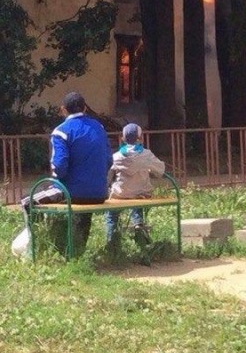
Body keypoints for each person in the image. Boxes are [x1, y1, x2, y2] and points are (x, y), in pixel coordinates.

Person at [21, 91, 112, 255]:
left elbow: (60, 166)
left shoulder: (61, 132)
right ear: (85, 108)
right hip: (99, 192)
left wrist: (55, 179)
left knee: (28, 201)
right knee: (85, 209)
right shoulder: (99, 127)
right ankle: (78, 250)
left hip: (72, 192)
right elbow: (108, 160)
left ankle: (35, 249)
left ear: (63, 109)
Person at [105, 123, 165, 250]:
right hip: (141, 194)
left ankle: (112, 244)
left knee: (111, 215)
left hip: (120, 194)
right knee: (137, 202)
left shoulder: (116, 156)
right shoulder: (146, 154)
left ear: (123, 138)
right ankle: (139, 229)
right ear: (140, 138)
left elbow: (107, 177)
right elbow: (160, 171)